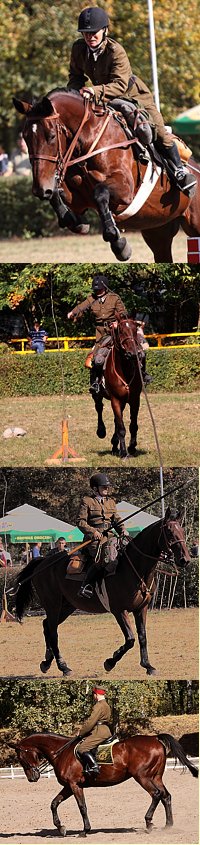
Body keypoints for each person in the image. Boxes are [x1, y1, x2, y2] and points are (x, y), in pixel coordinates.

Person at [67, 6, 196, 195]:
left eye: (94, 32)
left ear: (105, 31)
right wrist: (72, 95)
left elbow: (119, 84)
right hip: (101, 97)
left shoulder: (115, 51)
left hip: (132, 96)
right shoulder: (78, 49)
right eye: (86, 33)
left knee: (157, 129)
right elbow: (75, 76)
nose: (90, 36)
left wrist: (93, 91)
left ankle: (178, 170)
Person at [68, 274, 127, 393]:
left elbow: (123, 313)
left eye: (100, 289)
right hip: (101, 334)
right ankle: (96, 382)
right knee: (96, 359)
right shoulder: (91, 298)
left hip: (116, 332)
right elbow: (81, 307)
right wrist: (73, 313)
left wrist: (117, 322)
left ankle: (142, 374)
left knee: (135, 351)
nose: (98, 291)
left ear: (105, 288)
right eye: (96, 289)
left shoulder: (115, 298)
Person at [78, 472, 127, 598]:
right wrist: (93, 531)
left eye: (107, 487)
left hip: (111, 536)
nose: (107, 489)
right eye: (104, 487)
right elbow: (80, 521)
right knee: (103, 559)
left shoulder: (111, 502)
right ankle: (86, 585)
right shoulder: (87, 501)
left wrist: (123, 530)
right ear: (95, 488)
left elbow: (116, 520)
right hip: (95, 539)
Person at [75, 686, 111, 775]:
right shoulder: (106, 705)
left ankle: (94, 767)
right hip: (106, 730)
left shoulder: (99, 705)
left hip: (99, 732)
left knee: (82, 748)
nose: (93, 696)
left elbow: (91, 721)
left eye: (93, 694)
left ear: (96, 694)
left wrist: (81, 732)